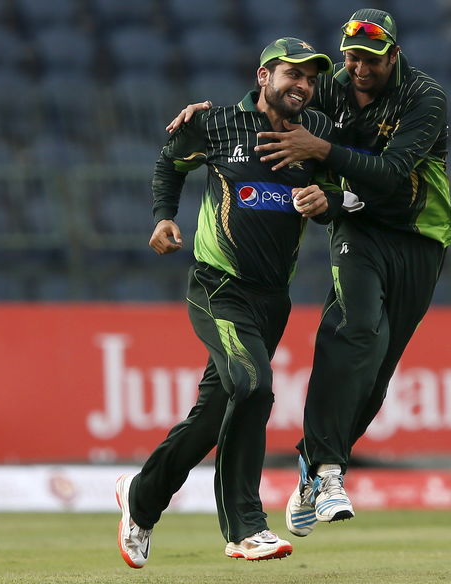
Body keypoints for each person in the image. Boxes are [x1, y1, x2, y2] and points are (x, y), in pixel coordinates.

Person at [166, 9, 451, 537]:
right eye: (350, 57)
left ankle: (312, 469)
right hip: (355, 222)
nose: (358, 68)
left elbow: (393, 177)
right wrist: (212, 117)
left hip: (420, 234)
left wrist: (321, 149)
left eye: (371, 58)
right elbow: (276, 97)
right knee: (356, 329)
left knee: (377, 370)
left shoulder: (425, 97)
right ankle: (327, 472)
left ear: (394, 55)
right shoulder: (332, 88)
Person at [116, 38, 341, 568]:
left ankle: (141, 499)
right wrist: (163, 216)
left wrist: (325, 201)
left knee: (213, 412)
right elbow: (171, 163)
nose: (303, 85)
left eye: (311, 79)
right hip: (217, 286)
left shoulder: (319, 134)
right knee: (254, 385)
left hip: (272, 300)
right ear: (263, 76)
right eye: (292, 74)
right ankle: (245, 527)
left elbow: (335, 195)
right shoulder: (215, 123)